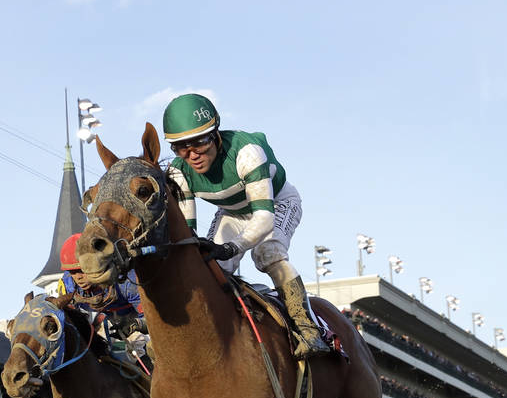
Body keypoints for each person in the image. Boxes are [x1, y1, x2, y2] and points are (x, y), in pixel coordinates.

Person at [163, 93, 328, 359]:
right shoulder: (178, 171)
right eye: (181, 147)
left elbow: (263, 219)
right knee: (211, 268)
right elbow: (187, 234)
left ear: (215, 134)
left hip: (275, 203)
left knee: (268, 253)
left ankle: (308, 328)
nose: (192, 155)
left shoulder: (247, 152)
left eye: (199, 143)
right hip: (232, 211)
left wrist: (232, 246)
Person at [57, 233, 150, 367]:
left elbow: (152, 319)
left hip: (134, 324)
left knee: (142, 349)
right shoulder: (67, 286)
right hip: (101, 327)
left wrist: (136, 324)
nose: (78, 277)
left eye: (82, 269)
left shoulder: (125, 280)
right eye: (72, 272)